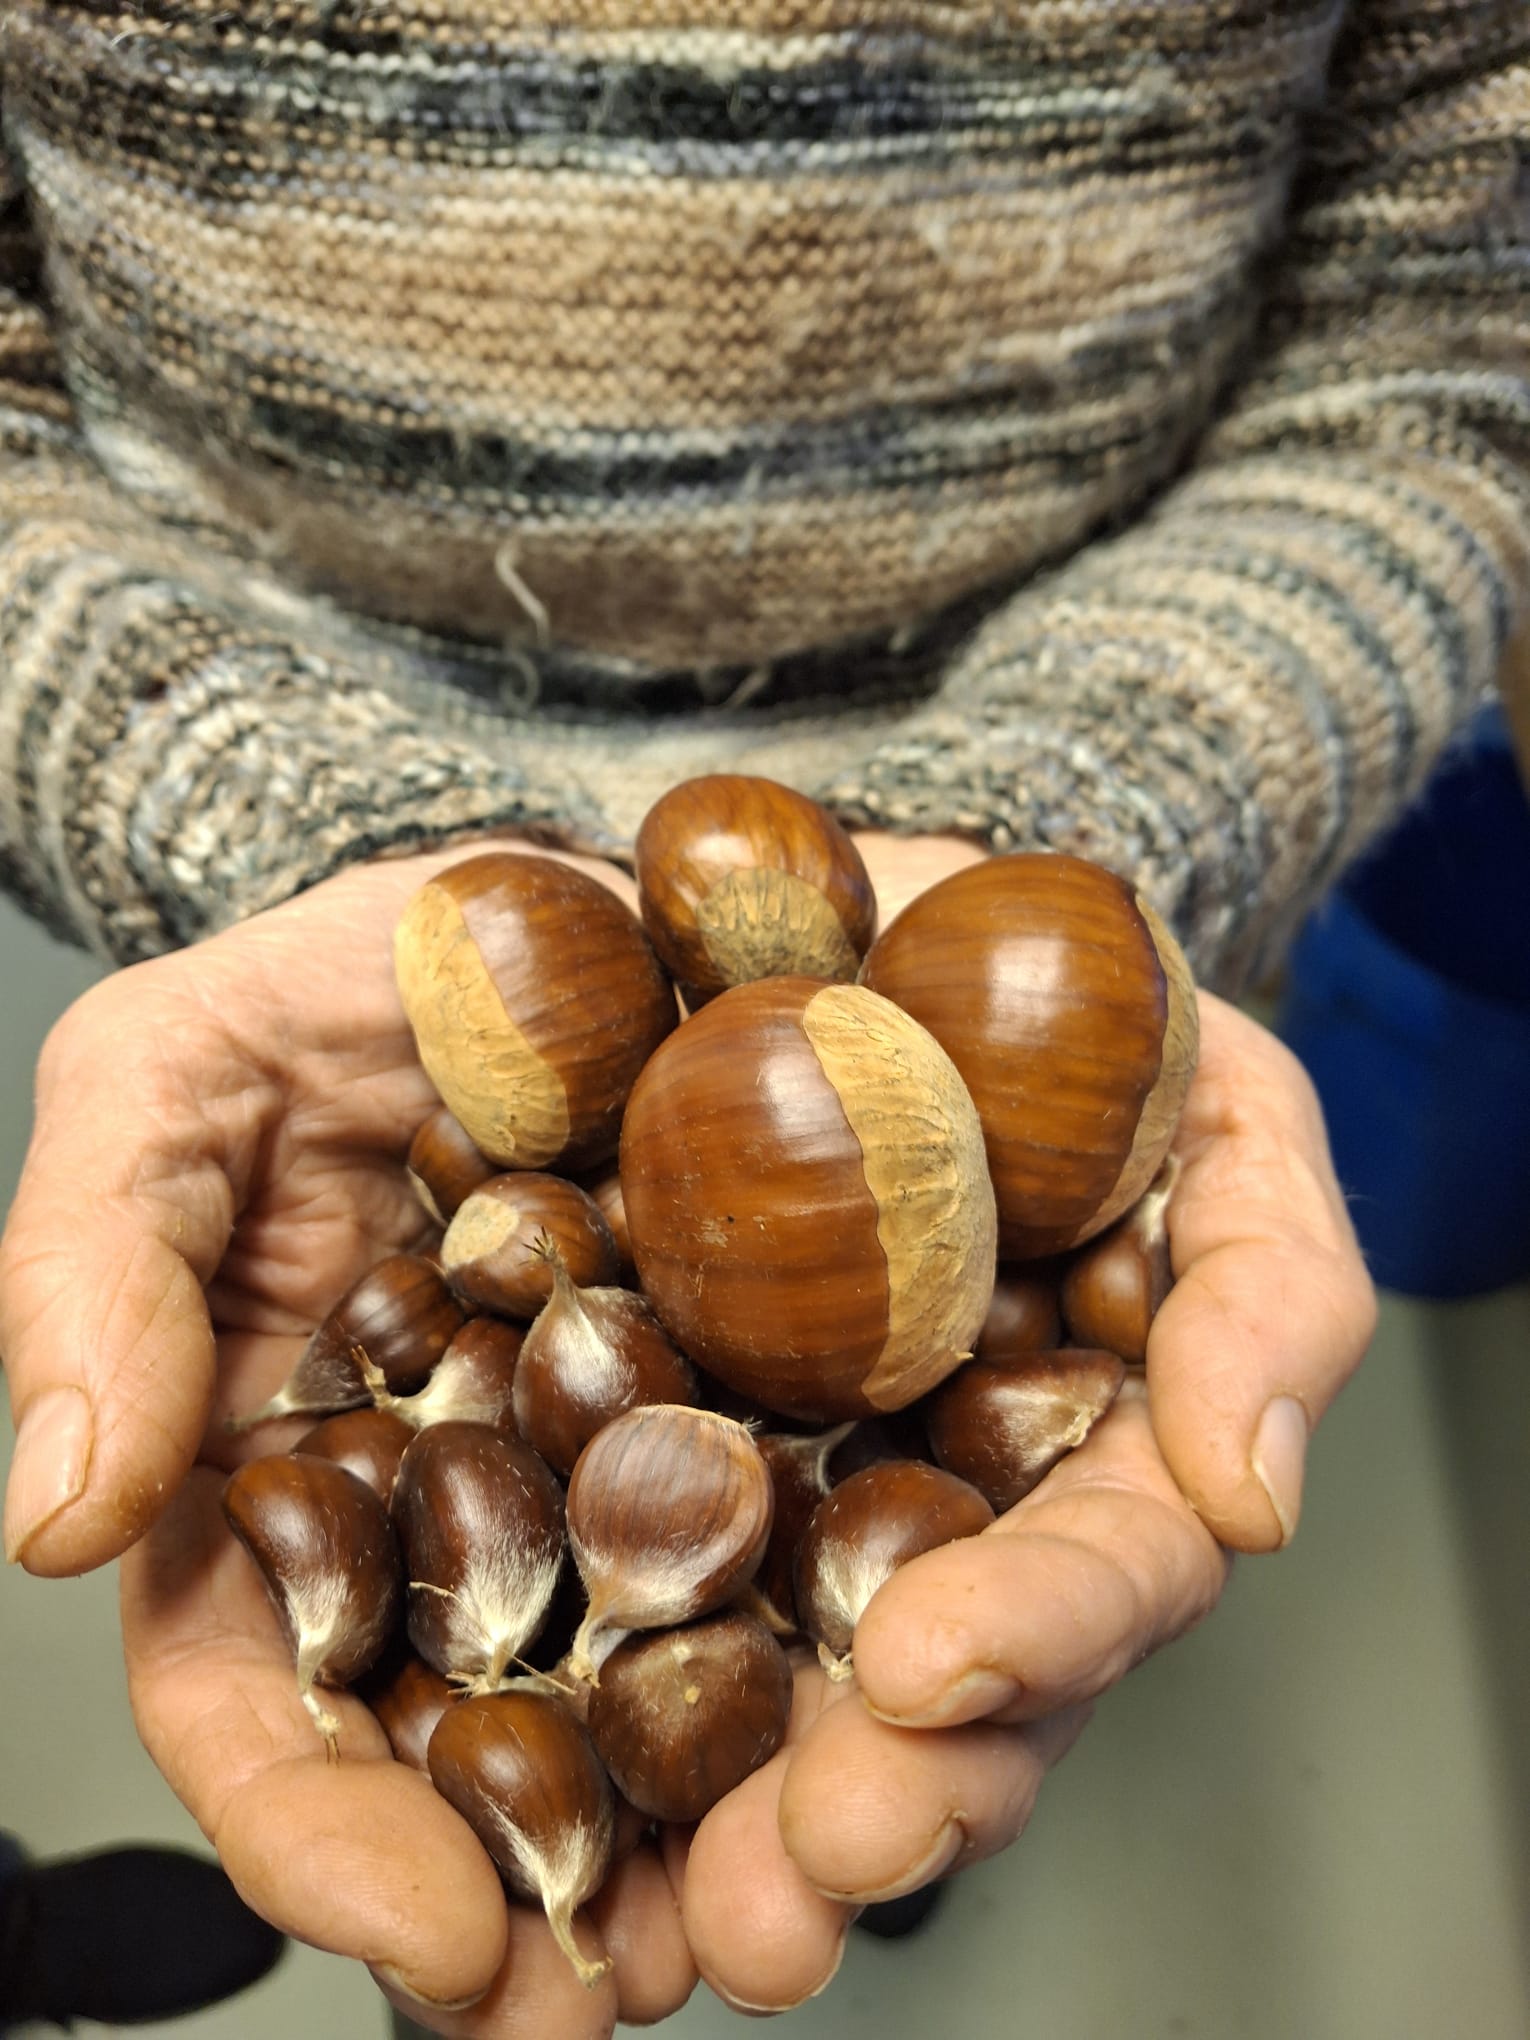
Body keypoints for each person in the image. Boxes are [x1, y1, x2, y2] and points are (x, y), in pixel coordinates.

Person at [0, 0, 1520, 2030]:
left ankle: (829, 1756)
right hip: (314, 779)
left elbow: (1445, 346)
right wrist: (247, 810)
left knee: (913, 1699)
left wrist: (1087, 813)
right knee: (597, 1808)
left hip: (1043, 801)